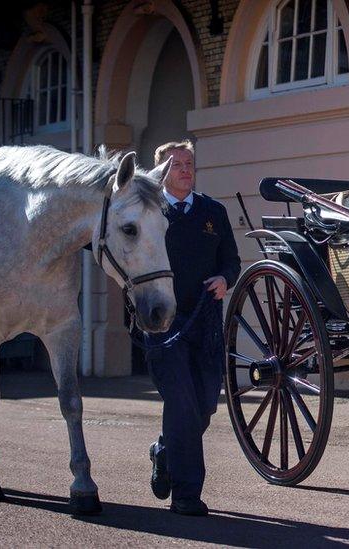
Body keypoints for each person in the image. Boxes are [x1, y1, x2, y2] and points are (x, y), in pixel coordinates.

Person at [146, 140, 240, 516]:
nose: (185, 169)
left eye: (189, 163)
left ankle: (165, 451)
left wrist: (226, 279)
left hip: (205, 325)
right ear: (162, 172)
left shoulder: (212, 211)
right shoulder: (149, 211)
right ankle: (186, 495)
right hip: (164, 326)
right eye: (176, 164)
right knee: (182, 403)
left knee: (203, 405)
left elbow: (231, 260)